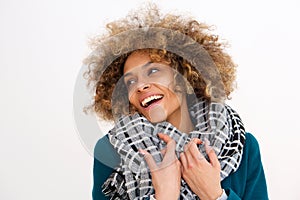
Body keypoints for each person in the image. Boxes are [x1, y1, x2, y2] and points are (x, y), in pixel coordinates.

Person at [84, 3, 268, 200]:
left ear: (185, 76)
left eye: (153, 71)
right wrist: (163, 195)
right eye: (130, 81)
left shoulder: (242, 145)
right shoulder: (111, 151)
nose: (140, 86)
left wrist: (214, 194)